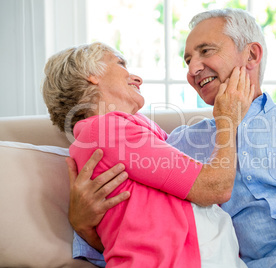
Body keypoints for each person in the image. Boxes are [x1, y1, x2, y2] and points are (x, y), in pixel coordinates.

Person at [68, 9, 276, 268]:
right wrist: (82, 225)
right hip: (268, 263)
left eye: (205, 51)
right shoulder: (180, 143)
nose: (193, 68)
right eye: (187, 60)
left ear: (252, 56)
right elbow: (139, 230)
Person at [41, 41, 254, 267]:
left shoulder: (129, 131)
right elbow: (215, 187)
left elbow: (127, 241)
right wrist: (227, 120)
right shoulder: (102, 129)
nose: (137, 79)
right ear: (92, 75)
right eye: (120, 63)